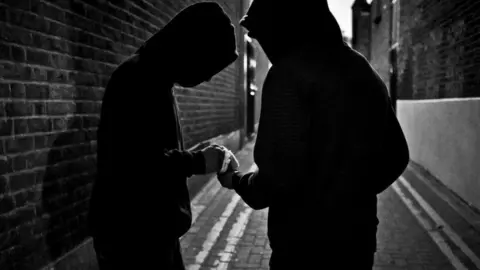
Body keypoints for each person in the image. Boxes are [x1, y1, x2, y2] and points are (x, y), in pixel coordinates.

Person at [217, 0, 408, 269]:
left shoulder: (287, 74)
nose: (264, 47)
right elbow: (397, 155)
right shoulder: (360, 68)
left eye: (263, 36)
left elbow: (275, 178)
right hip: (358, 241)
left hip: (302, 249)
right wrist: (349, 195)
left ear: (282, 27)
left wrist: (235, 180)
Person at [87, 2, 238, 269]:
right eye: (208, 66)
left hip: (152, 233)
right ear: (191, 48)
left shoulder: (154, 78)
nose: (206, 79)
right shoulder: (137, 80)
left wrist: (196, 155)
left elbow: (151, 149)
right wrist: (196, 162)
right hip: (133, 239)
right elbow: (133, 165)